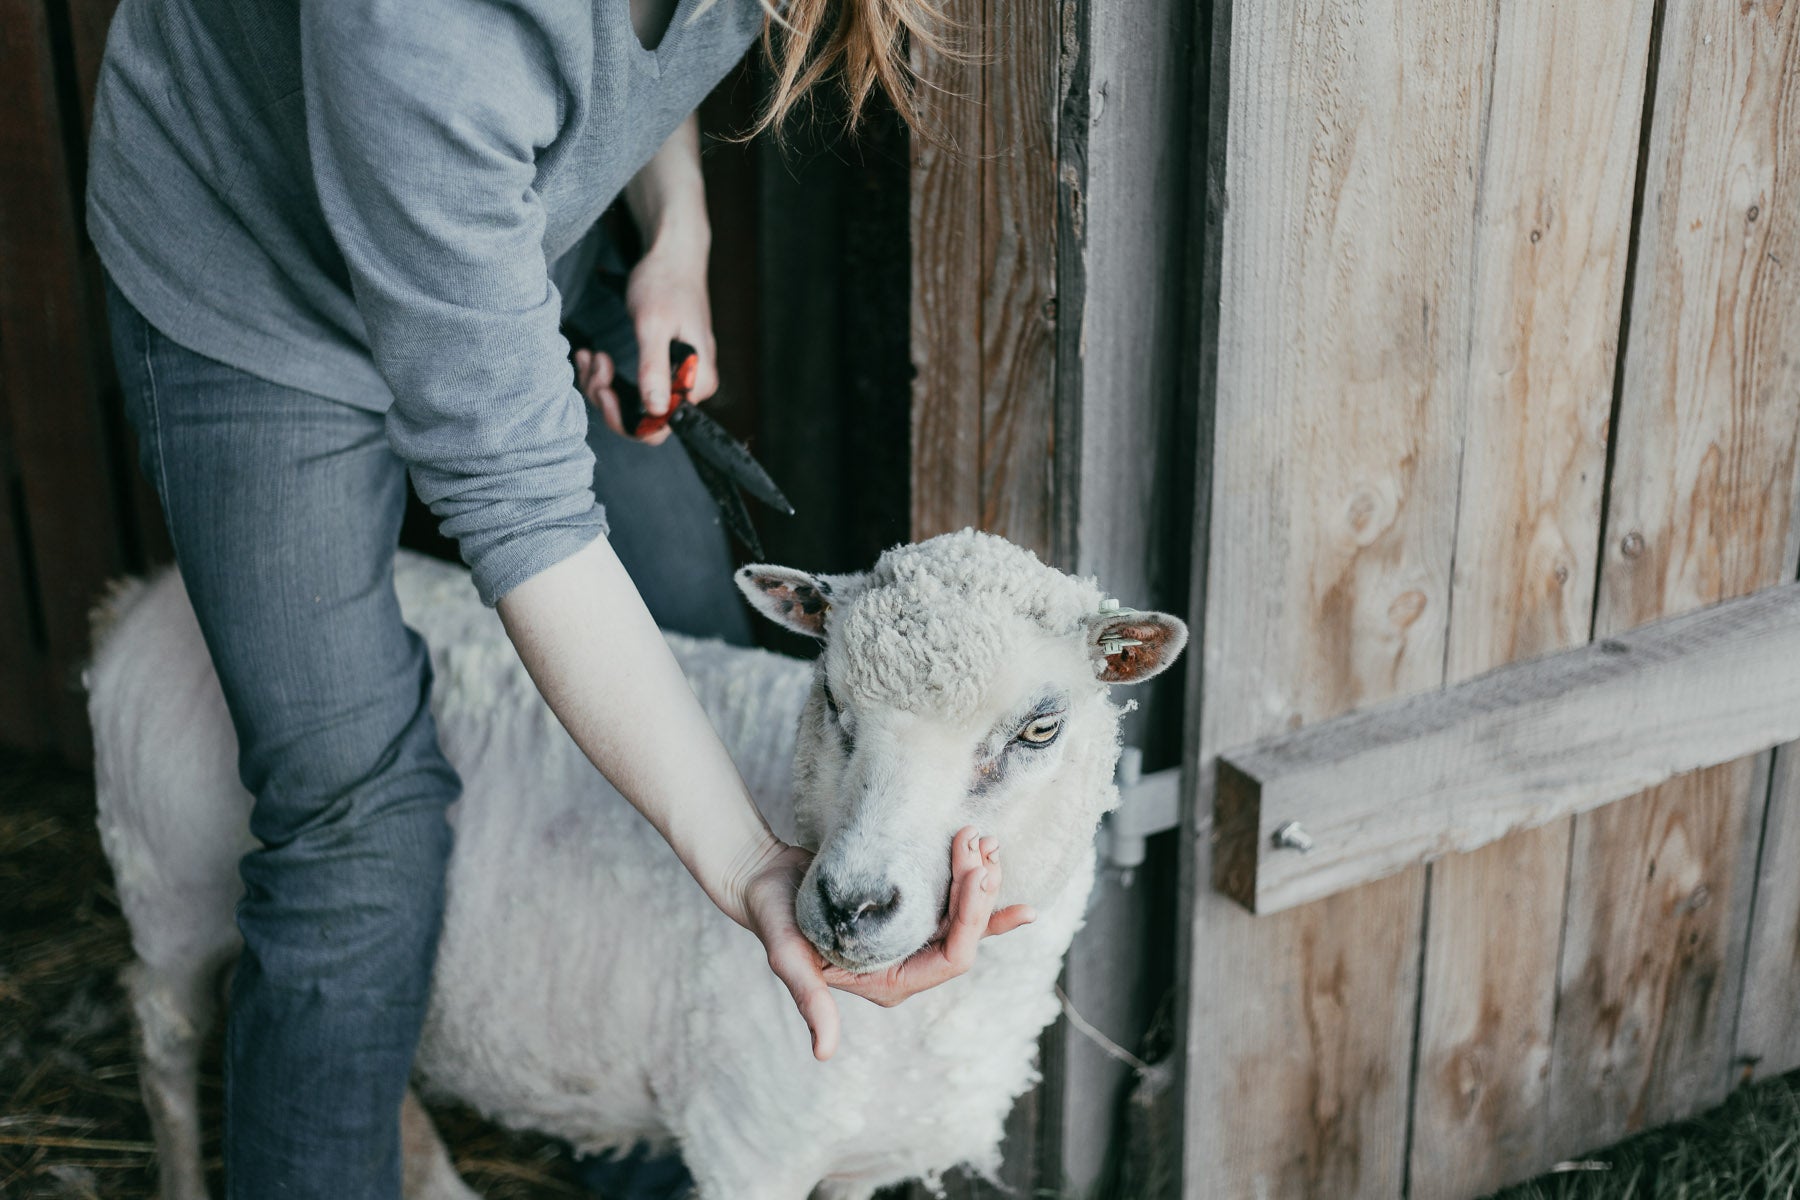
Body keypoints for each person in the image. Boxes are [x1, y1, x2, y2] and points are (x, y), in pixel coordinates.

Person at [84, 0, 1030, 1195]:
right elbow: (521, 513)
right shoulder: (423, 27)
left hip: (499, 233)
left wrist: (673, 239)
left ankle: (637, 1140)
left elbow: (626, 65)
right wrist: (746, 863)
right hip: (258, 291)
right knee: (353, 833)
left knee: (682, 625)